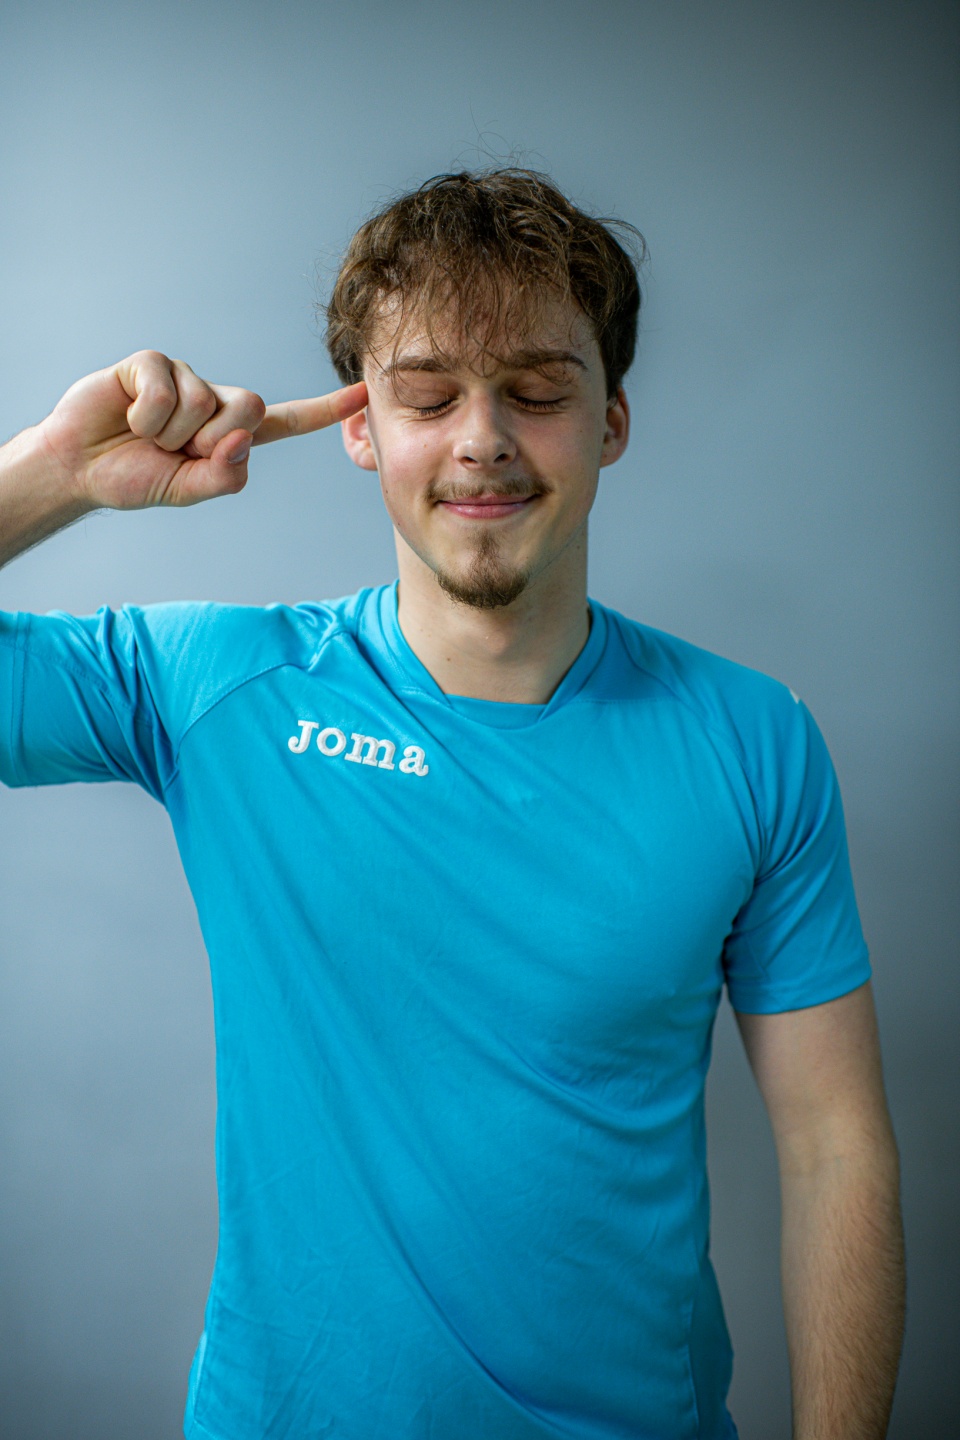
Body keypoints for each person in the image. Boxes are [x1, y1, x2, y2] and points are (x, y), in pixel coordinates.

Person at [0, 169, 904, 1440]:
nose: (482, 439)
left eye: (536, 391)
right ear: (362, 427)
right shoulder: (220, 686)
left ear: (611, 421)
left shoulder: (754, 741)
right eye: (428, 397)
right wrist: (53, 471)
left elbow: (834, 1149)